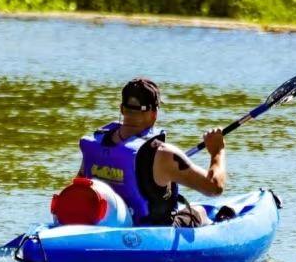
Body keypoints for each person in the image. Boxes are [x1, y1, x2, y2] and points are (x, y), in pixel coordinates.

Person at [78, 77, 226, 227]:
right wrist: (217, 151)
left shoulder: (96, 144)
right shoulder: (163, 153)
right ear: (154, 113)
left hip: (101, 226)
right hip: (150, 233)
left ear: (122, 109)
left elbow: (78, 189)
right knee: (199, 211)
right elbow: (214, 188)